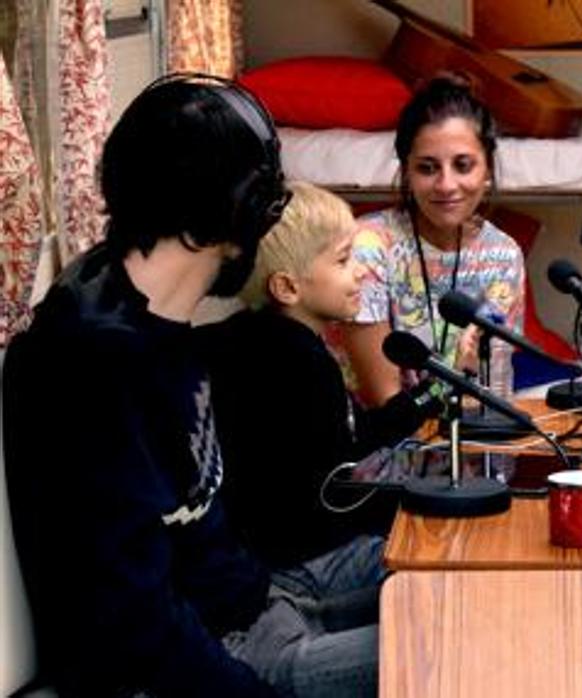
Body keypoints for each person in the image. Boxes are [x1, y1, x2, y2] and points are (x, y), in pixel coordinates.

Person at [3, 75, 373, 697]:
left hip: (256, 607)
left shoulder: (143, 306)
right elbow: (134, 626)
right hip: (219, 660)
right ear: (239, 212)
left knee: (465, 598)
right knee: (461, 652)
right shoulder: (93, 364)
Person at [201, 181, 429, 573]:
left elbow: (341, 440)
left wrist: (423, 401)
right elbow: (340, 474)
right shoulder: (299, 360)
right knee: (433, 555)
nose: (359, 273)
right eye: (343, 261)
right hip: (300, 561)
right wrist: (431, 397)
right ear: (288, 287)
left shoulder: (247, 337)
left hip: (268, 550)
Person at [339, 76, 526, 408]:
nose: (446, 184)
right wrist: (456, 376)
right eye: (427, 168)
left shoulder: (503, 254)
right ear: (407, 172)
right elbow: (386, 403)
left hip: (477, 450)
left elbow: (493, 396)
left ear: (488, 170)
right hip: (391, 454)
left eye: (463, 165)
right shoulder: (368, 247)